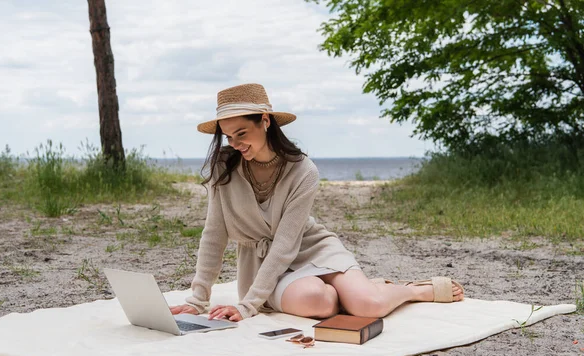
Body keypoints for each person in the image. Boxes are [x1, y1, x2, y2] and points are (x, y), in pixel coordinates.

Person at [169, 83, 464, 322]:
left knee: (369, 306)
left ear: (265, 121)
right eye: (229, 136)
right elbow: (214, 235)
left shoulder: (303, 171)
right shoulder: (224, 167)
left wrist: (247, 307)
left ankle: (410, 291)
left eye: (242, 133)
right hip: (262, 266)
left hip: (312, 248)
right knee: (320, 300)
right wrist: (198, 299)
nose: (235, 144)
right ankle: (353, 289)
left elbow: (285, 244)